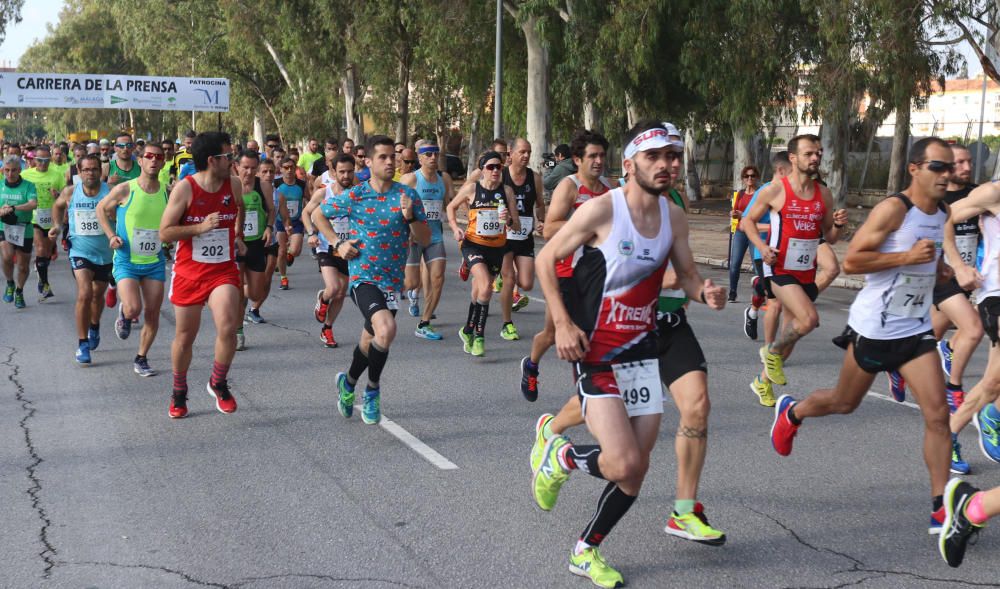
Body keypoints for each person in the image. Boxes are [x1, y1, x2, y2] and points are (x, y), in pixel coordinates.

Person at [530, 121, 726, 588]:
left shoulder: (673, 217)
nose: (667, 165)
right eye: (655, 156)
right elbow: (544, 259)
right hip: (596, 349)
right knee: (620, 462)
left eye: (673, 156)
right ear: (631, 162)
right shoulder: (602, 210)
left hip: (641, 353)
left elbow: (689, 274)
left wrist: (706, 291)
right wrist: (561, 322)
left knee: (636, 471)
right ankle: (561, 459)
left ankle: (586, 550)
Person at [769, 136, 954, 536]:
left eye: (950, 167)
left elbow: (928, 259)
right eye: (938, 166)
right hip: (876, 327)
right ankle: (793, 412)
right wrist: (907, 257)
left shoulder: (943, 213)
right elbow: (852, 261)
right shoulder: (894, 209)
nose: (947, 174)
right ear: (915, 169)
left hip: (916, 328)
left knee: (938, 415)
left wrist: (939, 271)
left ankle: (941, 507)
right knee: (843, 402)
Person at [331, 135, 430, 424]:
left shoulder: (407, 195)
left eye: (393, 157)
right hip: (363, 278)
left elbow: (424, 238)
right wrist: (337, 243)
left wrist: (410, 217)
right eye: (383, 157)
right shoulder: (357, 194)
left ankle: (348, 383)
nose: (390, 162)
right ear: (369, 161)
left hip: (391, 281)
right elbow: (319, 214)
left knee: (371, 341)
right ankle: (372, 393)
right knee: (386, 329)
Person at [740, 134, 848, 391]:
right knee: (809, 319)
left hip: (805, 271)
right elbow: (747, 223)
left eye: (819, 153)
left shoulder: (823, 194)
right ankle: (770, 350)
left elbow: (830, 237)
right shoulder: (775, 190)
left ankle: (762, 382)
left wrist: (840, 226)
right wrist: (763, 247)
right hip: (778, 267)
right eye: (809, 153)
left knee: (791, 337)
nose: (816, 157)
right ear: (793, 158)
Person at [159, 131, 245, 419]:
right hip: (189, 272)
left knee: (228, 326)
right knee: (185, 336)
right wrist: (199, 228)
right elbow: (165, 232)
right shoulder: (185, 189)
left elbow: (240, 208)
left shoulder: (233, 184)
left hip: (222, 270)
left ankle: (218, 383)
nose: (232, 162)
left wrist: (238, 234)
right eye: (228, 157)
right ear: (212, 160)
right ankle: (179, 391)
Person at [520, 130, 612, 401]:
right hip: (565, 271)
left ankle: (593, 393)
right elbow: (549, 229)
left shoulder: (610, 189)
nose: (598, 161)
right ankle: (531, 365)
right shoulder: (569, 186)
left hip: (597, 274)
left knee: (594, 335)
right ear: (577, 159)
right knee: (551, 333)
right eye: (592, 156)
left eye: (602, 156)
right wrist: (588, 226)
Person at [95, 143, 168, 376]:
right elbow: (101, 209)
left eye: (158, 157)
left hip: (154, 261)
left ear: (163, 162)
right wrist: (111, 235)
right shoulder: (126, 189)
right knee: (134, 307)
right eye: (149, 156)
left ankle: (141, 357)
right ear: (141, 161)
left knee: (153, 312)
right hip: (126, 259)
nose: (153, 160)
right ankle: (125, 313)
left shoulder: (168, 191)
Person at [446, 151, 520, 356]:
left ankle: (468, 329)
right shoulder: (472, 189)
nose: (496, 170)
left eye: (499, 167)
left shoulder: (507, 192)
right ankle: (479, 336)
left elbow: (517, 225)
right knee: (486, 285)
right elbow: (451, 207)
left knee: (480, 292)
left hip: (497, 249)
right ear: (482, 170)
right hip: (473, 245)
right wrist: (455, 229)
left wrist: (508, 221)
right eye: (490, 167)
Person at [50, 154, 112, 363]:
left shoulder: (110, 193)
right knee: (85, 294)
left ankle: (94, 326)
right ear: (79, 170)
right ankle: (82, 343)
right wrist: (57, 226)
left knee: (97, 295)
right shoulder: (71, 191)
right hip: (79, 251)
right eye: (86, 169)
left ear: (100, 171)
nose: (90, 173)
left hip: (105, 254)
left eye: (94, 169)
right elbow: (57, 206)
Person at [401, 139, 453, 340]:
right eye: (428, 155)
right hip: (413, 237)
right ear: (420, 158)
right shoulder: (410, 179)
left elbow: (450, 204)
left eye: (435, 154)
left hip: (435, 236)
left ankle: (424, 322)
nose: (433, 158)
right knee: (412, 282)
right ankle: (384, 296)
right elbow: (395, 206)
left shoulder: (444, 178)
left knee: (438, 278)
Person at [497, 138, 546, 340]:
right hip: (504, 236)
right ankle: (507, 324)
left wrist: (542, 221)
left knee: (526, 284)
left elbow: (540, 203)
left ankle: (503, 280)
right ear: (511, 153)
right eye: (522, 152)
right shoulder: (501, 175)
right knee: (509, 280)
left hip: (525, 236)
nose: (526, 156)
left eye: (529, 152)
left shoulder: (534, 178)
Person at [306, 153, 356, 347]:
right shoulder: (324, 193)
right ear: (333, 172)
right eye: (342, 172)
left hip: (349, 249)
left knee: (342, 292)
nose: (346, 176)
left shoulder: (358, 193)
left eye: (350, 172)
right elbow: (306, 213)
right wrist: (311, 233)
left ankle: (327, 328)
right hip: (326, 248)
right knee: (334, 288)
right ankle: (324, 298)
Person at [232, 151, 274, 351]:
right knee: (239, 290)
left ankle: (237, 297)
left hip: (257, 244)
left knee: (257, 293)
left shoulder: (263, 186)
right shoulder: (230, 185)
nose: (249, 172)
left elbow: (271, 210)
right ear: (236, 167)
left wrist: (269, 227)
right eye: (245, 167)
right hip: (236, 243)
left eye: (252, 168)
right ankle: (238, 331)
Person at [22, 145, 66, 300]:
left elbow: (65, 197)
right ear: (34, 160)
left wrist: (58, 195)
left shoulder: (57, 175)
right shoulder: (25, 175)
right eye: (39, 160)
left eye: (46, 160)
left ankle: (41, 267)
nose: (43, 163)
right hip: (33, 216)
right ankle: (45, 284)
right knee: (40, 248)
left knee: (47, 251)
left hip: (52, 217)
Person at [0, 155, 37, 310]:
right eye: (7, 170)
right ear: (2, 171)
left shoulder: (29, 186)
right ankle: (9, 282)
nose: (10, 174)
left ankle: (20, 291)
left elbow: (33, 204)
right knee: (7, 257)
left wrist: (15, 208)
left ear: (20, 170)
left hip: (24, 228)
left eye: (14, 170)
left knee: (23, 266)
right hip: (4, 227)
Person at [727, 166, 760, 302]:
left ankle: (758, 294)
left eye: (752, 176)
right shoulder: (740, 194)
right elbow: (735, 212)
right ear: (743, 179)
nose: (749, 178)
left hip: (754, 232)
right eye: (746, 176)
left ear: (756, 177)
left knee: (757, 265)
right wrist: (733, 214)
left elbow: (761, 214)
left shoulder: (760, 194)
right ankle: (732, 292)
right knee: (734, 264)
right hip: (740, 232)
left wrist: (743, 214)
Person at [274, 157, 307, 289]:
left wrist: (306, 214)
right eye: (285, 167)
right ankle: (283, 278)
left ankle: (288, 256)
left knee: (296, 251)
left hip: (296, 221)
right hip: (280, 221)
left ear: (295, 169)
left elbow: (309, 199)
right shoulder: (276, 183)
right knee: (281, 252)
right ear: (281, 169)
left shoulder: (301, 184)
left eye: (291, 167)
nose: (288, 170)